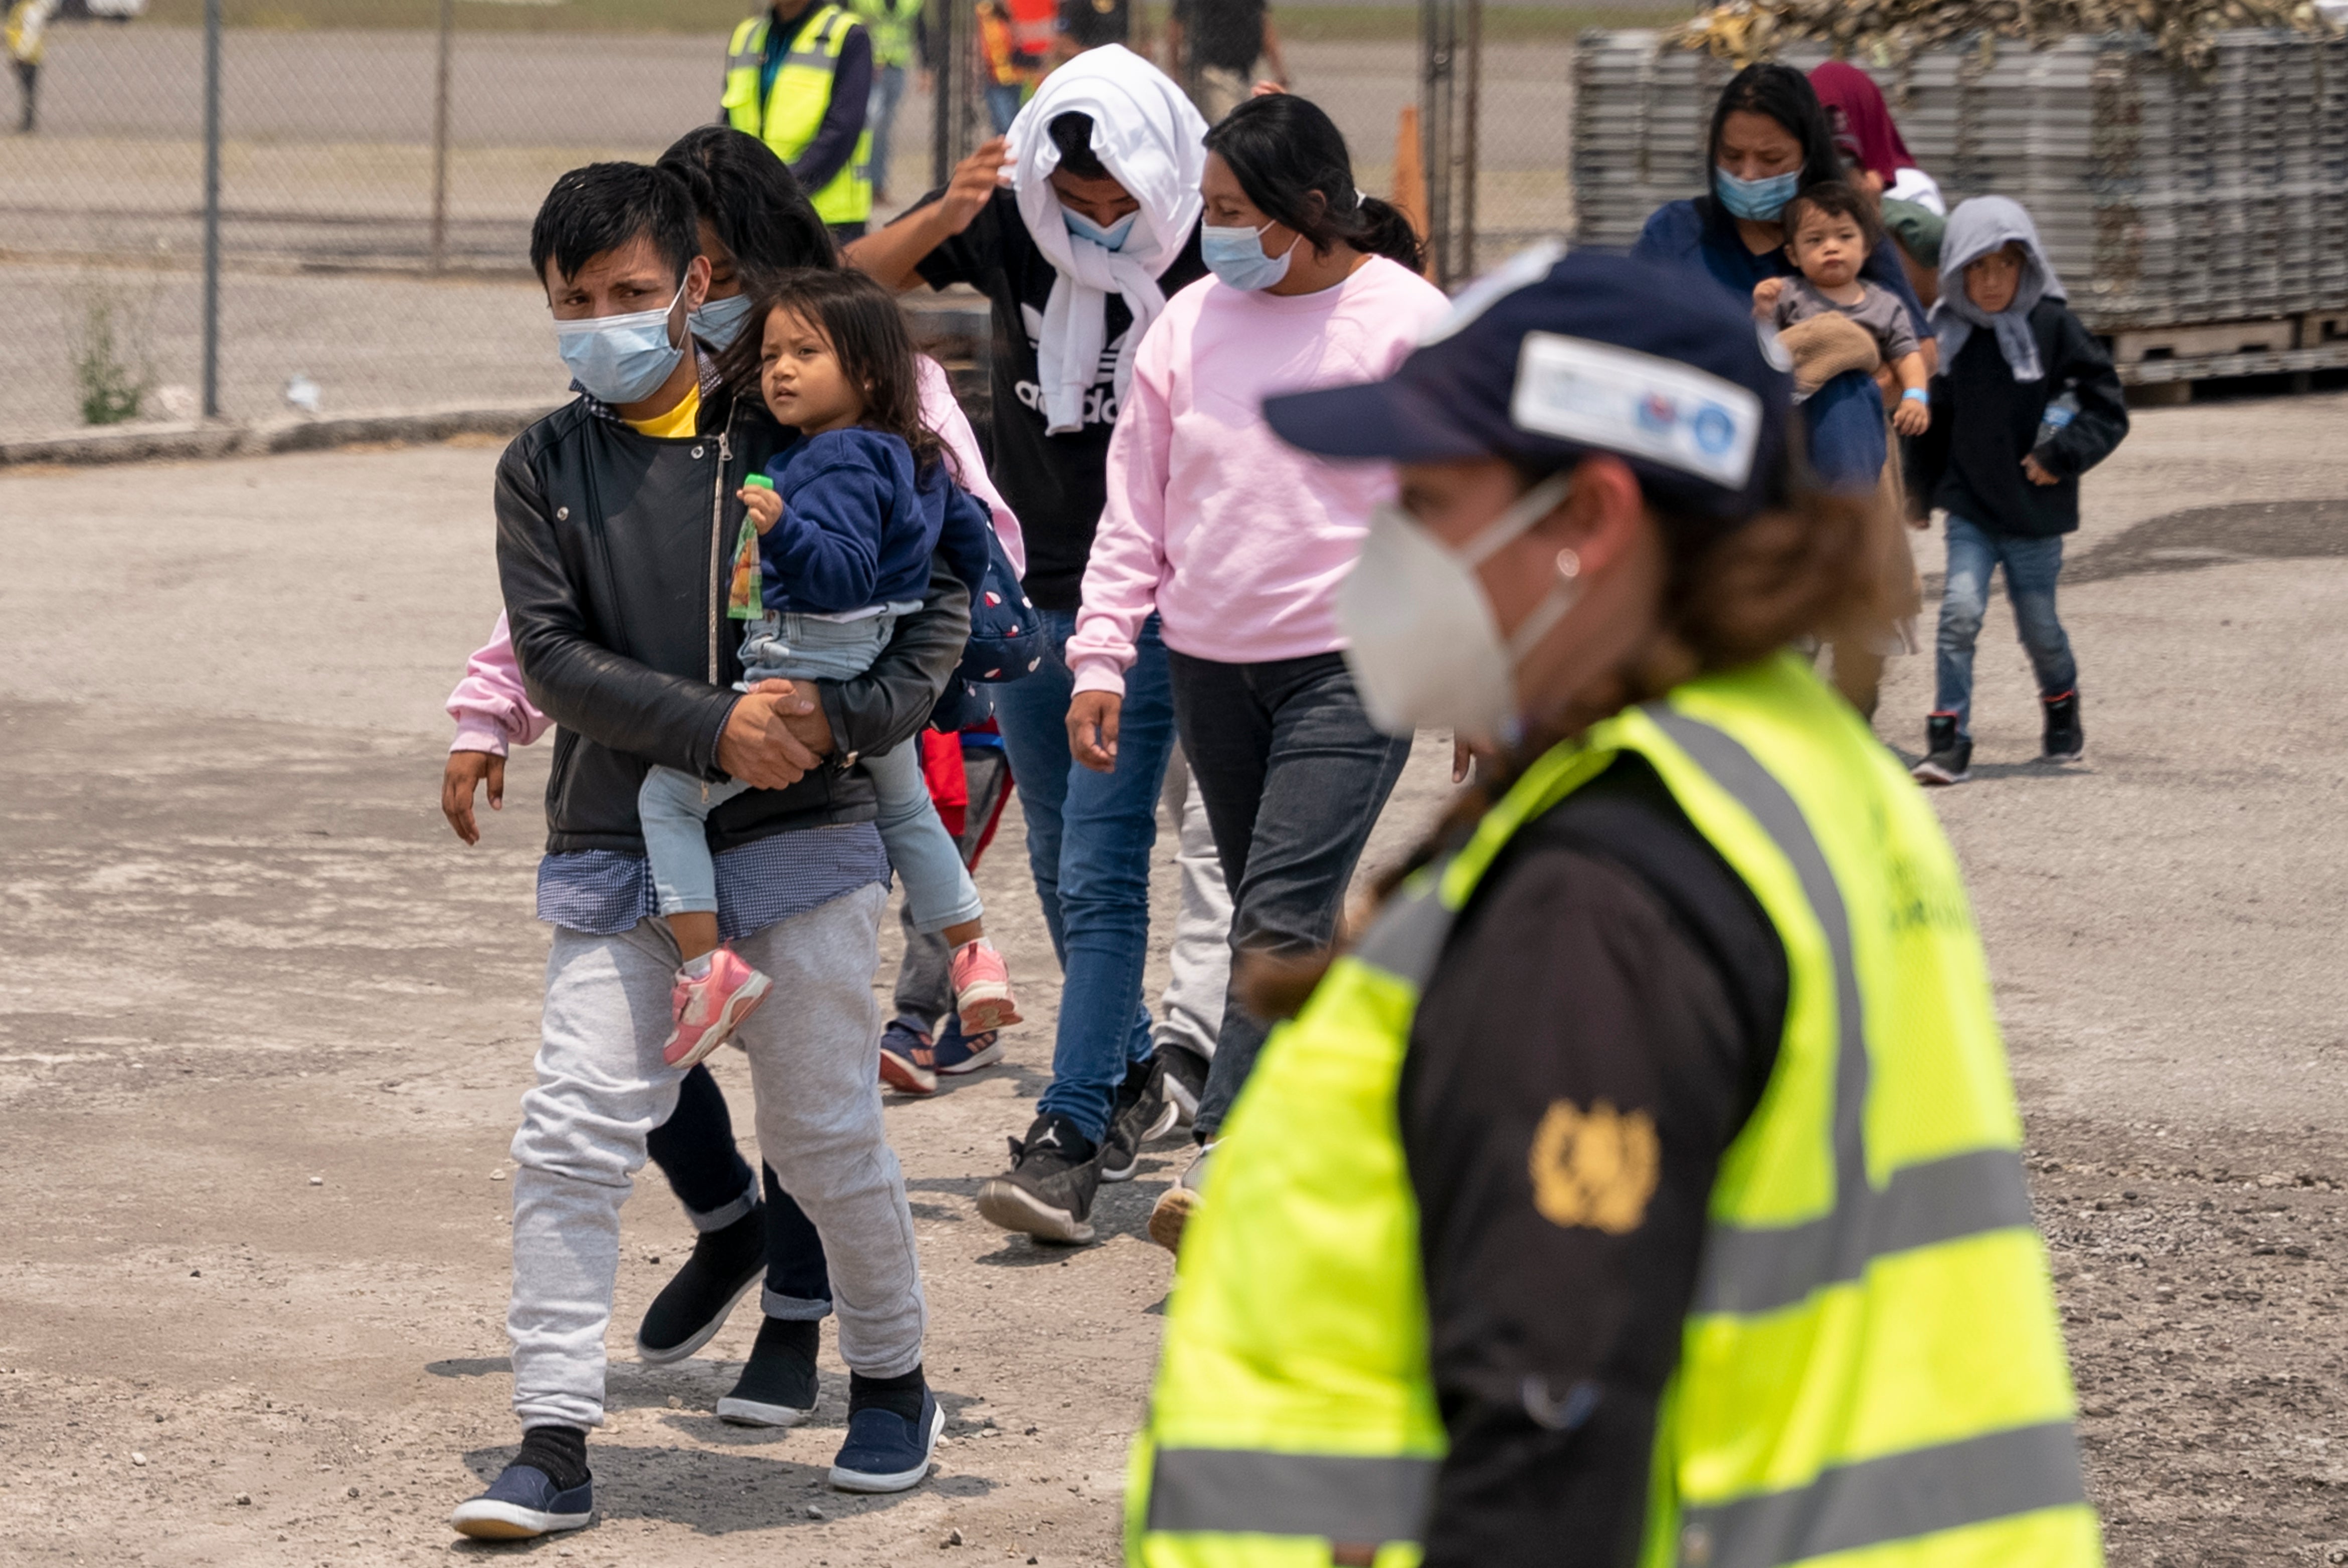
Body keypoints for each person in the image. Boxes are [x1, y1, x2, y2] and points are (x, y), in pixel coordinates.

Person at [1126, 245, 2102, 1568]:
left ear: (1585, 521)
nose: (1384, 543)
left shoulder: (1600, 891)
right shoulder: (1796, 776)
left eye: (1423, 497)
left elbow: (1547, 1449)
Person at [438, 127, 1023, 1438]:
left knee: (819, 1119)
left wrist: (836, 712)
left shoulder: (851, 400)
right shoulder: (568, 456)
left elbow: (958, 572)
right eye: (577, 298)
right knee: (589, 1114)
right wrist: (506, 708)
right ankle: (563, 1423)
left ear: (712, 271)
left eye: (649, 281)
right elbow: (558, 623)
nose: (613, 318)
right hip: (638, 813)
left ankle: (848, 1351)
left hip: (828, 788)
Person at [1060, 91, 1446, 1251]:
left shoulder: (1408, 323)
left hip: (1355, 661)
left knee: (1273, 916)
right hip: (1214, 666)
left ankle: (1229, 1155)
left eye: (1231, 209)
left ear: (1309, 209)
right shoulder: (1188, 324)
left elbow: (1474, 505)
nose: (1211, 231)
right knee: (1286, 922)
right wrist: (1103, 651)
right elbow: (1138, 505)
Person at [848, 47, 1217, 1243]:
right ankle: (1123, 1076)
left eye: (1122, 199)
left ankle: (1068, 1132)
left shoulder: (1211, 250)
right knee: (1059, 853)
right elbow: (845, 283)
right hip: (1026, 596)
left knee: (1104, 864)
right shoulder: (1019, 233)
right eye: (1081, 202)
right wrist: (954, 210)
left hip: (1146, 598)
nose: (1103, 223)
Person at [636, 268, 1015, 1066]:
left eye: (806, 353)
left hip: (803, 665)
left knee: (667, 798)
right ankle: (973, 954)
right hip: (876, 661)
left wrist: (780, 530)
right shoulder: (911, 452)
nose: (779, 369)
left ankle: (708, 970)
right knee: (909, 814)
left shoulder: (834, 459)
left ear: (870, 372)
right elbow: (970, 538)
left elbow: (837, 573)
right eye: (772, 353)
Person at [1632, 60, 1932, 493]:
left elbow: (1920, 350)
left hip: (1819, 474)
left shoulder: (1846, 237)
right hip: (1704, 456)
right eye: (1731, 157)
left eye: (1771, 159)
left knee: (1841, 384)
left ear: (1807, 155)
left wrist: (1858, 385)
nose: (1748, 175)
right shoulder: (1676, 234)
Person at [1910, 197, 2128, 786]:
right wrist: (1918, 492)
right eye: (1976, 268)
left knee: (2041, 630)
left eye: (2004, 265)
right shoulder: (1949, 337)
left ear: (2027, 265)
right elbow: (1933, 420)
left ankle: (2061, 703)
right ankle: (1949, 740)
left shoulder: (2055, 328)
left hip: (2035, 513)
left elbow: (2107, 410)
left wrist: (2062, 455)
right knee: (1958, 613)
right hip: (1971, 508)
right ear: (1956, 271)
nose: (1990, 282)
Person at [1754, 181, 1931, 438]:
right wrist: (1763, 310)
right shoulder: (1786, 295)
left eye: (1845, 236)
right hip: (1800, 421)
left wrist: (1915, 396)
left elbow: (1907, 355)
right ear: (1793, 255)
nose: (1831, 247)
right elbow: (1764, 349)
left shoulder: (1886, 305)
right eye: (1815, 240)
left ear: (1866, 247)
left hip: (1862, 424)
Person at [723, 0, 876, 242]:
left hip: (827, 221)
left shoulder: (847, 35)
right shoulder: (746, 36)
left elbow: (841, 131)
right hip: (756, 215)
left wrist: (781, 190)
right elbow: (728, 127)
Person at [1810, 59, 1945, 216]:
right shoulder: (1798, 186)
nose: (1833, 138)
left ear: (1867, 117)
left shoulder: (1911, 191)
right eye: (1822, 122)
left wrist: (1871, 209)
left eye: (1839, 121)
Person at [1165, 0, 1289, 123]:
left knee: (1246, 129)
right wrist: (1176, 73)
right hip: (1213, 73)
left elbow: (1264, 27)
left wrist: (1279, 72)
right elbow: (1177, 26)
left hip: (1247, 74)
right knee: (1229, 130)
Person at [851, 0, 923, 206]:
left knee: (883, 129)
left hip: (896, 67)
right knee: (871, 124)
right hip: (869, 66)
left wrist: (926, 66)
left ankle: (877, 184)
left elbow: (921, 29)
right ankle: (864, 182)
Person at [5, 0, 50, 134]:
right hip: (24, 54)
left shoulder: (31, 9)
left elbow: (30, 34)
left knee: (28, 91)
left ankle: (28, 123)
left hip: (28, 57)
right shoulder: (23, 7)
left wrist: (20, 55)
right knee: (26, 90)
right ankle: (27, 121)